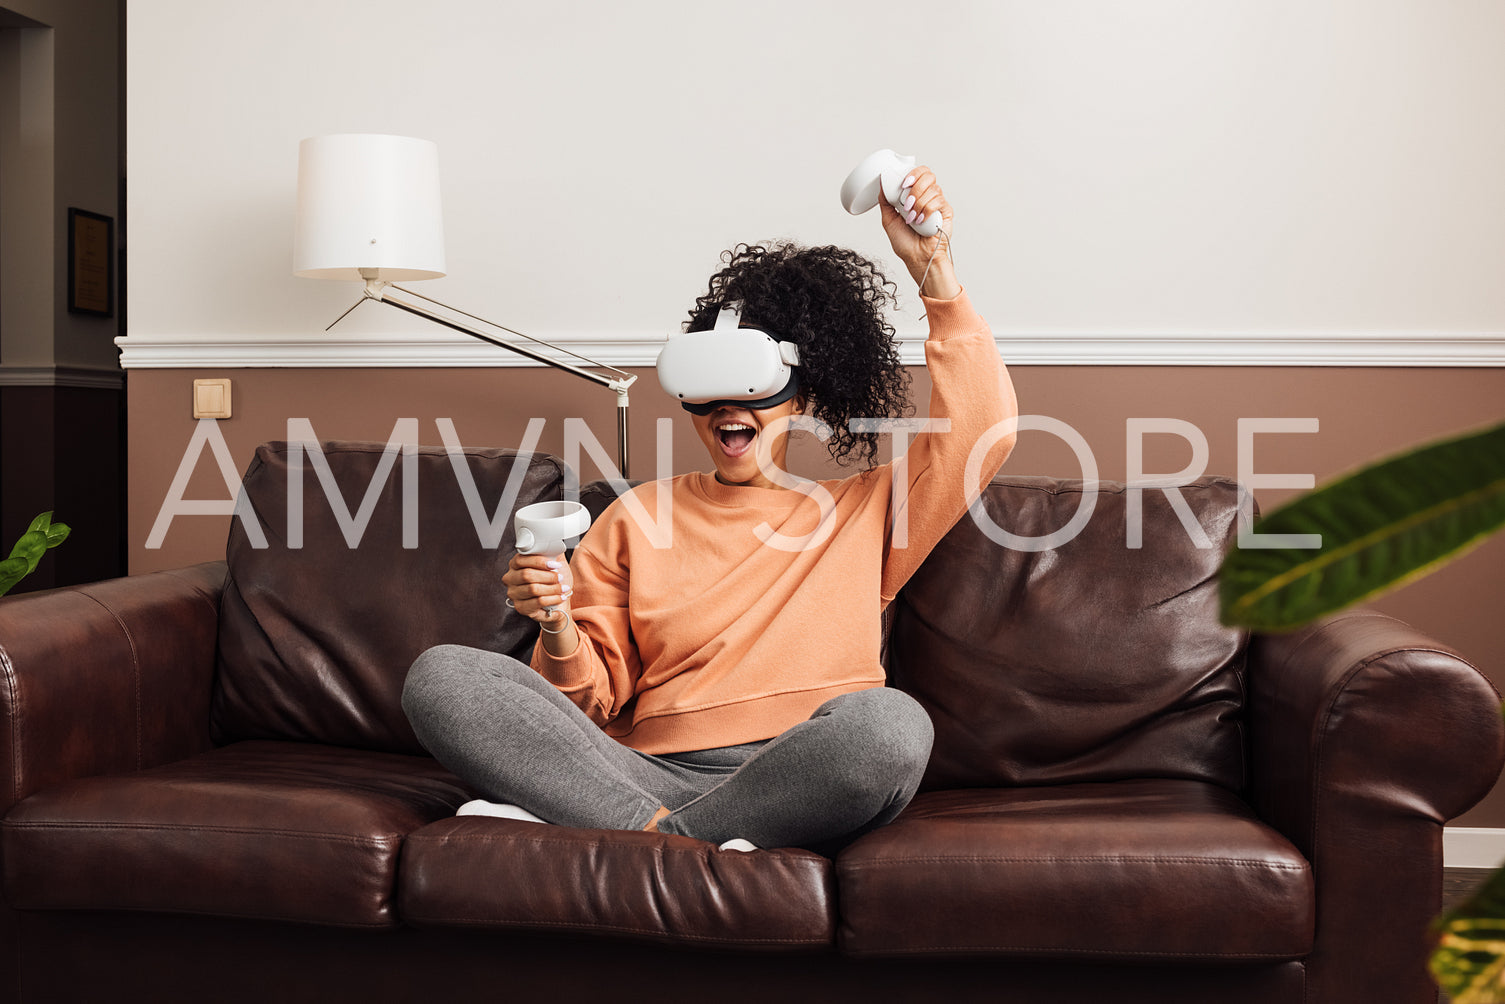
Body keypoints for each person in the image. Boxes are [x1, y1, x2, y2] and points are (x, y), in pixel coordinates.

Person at [402, 165, 1018, 852]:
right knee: (443, 677)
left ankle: (637, 835)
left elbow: (983, 432)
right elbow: (583, 706)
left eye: (754, 385)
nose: (731, 407)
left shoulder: (866, 512)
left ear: (802, 398)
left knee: (891, 727)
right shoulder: (637, 519)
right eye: (708, 388)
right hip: (637, 772)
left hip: (796, 781)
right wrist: (552, 625)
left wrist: (934, 269)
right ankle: (682, 834)